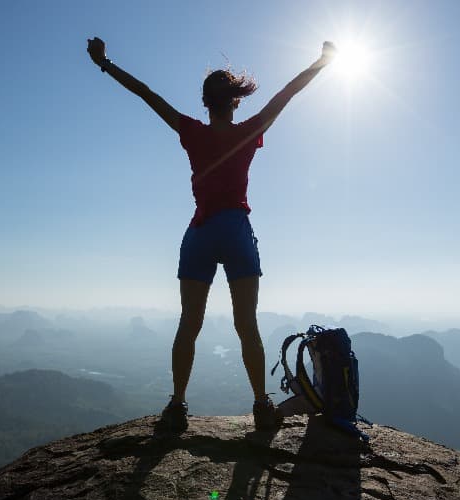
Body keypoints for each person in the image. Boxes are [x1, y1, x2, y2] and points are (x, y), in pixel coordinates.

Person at [86, 37, 336, 431]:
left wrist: (105, 63)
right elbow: (288, 93)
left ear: (205, 102)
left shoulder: (192, 132)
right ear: (235, 100)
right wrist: (322, 62)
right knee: (247, 326)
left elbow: (146, 94)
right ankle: (260, 406)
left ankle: (177, 405)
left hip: (200, 232)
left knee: (189, 323)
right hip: (236, 231)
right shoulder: (251, 130)